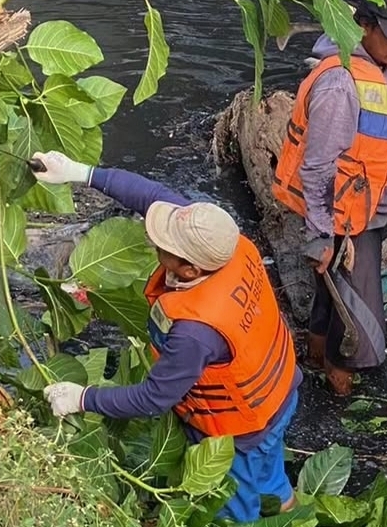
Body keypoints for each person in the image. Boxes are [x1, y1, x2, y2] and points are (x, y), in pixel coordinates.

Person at [34, 151, 301, 523]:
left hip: (241, 429)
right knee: (271, 479)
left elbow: (154, 398)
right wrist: (78, 172)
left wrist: (82, 398)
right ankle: (293, 514)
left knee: (231, 510)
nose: (153, 238)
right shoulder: (223, 243)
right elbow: (150, 195)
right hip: (280, 393)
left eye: (163, 245)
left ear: (189, 269)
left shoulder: (196, 332)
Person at [272, 0, 387, 396]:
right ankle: (338, 392)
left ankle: (315, 357)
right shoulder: (340, 84)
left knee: (333, 296)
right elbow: (317, 167)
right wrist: (321, 235)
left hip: (365, 207)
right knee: (359, 323)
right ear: (364, 25)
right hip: (343, 218)